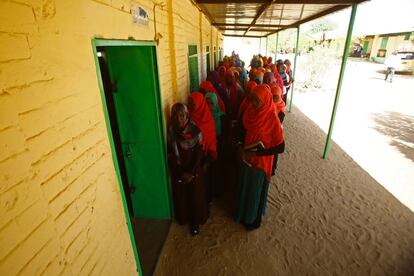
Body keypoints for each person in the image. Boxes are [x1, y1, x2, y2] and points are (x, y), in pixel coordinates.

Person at [235, 85, 285, 230]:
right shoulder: (250, 112)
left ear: (265, 100)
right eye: (253, 100)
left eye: (257, 101)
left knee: (255, 191)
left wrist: (258, 153)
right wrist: (239, 145)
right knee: (245, 186)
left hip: (261, 162)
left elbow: (280, 147)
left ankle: (252, 221)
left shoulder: (272, 119)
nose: (254, 104)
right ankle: (243, 214)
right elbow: (242, 130)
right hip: (247, 158)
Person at [168, 103, 209, 235]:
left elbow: (199, 153)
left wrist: (191, 172)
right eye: (175, 115)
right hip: (180, 166)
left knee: (195, 195)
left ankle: (195, 222)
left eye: (181, 115)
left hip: (193, 167)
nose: (178, 119)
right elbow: (172, 153)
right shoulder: (171, 130)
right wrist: (180, 172)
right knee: (181, 192)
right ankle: (184, 218)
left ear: (186, 115)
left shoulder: (195, 130)